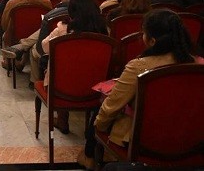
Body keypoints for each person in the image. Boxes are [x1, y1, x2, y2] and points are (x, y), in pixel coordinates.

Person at [77, 9, 195, 169]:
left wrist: (99, 127)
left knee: (101, 109)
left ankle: (89, 157)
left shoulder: (139, 67)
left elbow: (112, 106)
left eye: (143, 33)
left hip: (146, 139)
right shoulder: (198, 64)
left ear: (152, 41)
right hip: (190, 137)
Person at [1, 0, 89, 87]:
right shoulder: (96, 15)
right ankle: (23, 45)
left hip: (57, 49)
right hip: (89, 59)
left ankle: (34, 80)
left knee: (34, 48)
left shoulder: (56, 17)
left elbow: (41, 47)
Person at [40, 0, 108, 133]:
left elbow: (44, 47)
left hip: (62, 86)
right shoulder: (103, 31)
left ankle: (62, 118)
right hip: (95, 84)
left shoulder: (62, 29)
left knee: (56, 68)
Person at [0, 0, 52, 68]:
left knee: (6, 34)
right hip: (38, 36)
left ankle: (8, 61)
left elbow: (4, 24)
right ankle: (23, 60)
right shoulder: (47, 3)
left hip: (16, 35)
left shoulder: (12, 3)